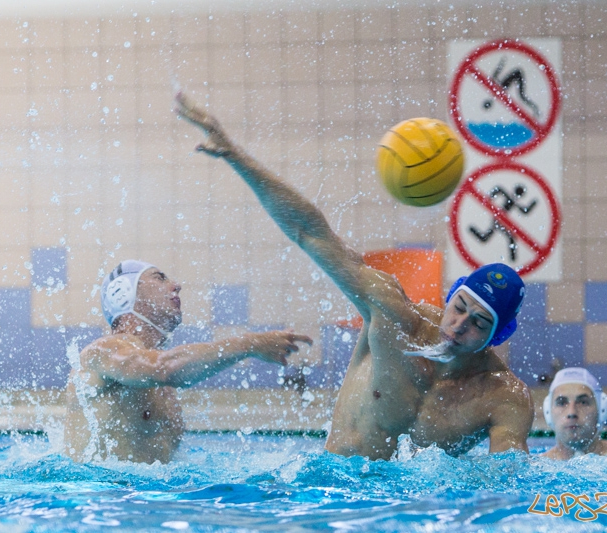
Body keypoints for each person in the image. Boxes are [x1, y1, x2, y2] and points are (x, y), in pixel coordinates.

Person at [175, 93, 533, 459]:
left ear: (497, 334)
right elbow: (309, 232)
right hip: (336, 491)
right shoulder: (394, 316)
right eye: (459, 307)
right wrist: (235, 155)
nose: (458, 325)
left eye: (478, 322)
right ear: (451, 295)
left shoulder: (503, 396)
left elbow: (508, 472)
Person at [63, 260, 312, 464]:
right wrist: (249, 344)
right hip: (106, 505)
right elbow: (163, 367)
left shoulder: (164, 384)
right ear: (123, 293)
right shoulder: (104, 351)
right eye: (160, 277)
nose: (177, 285)